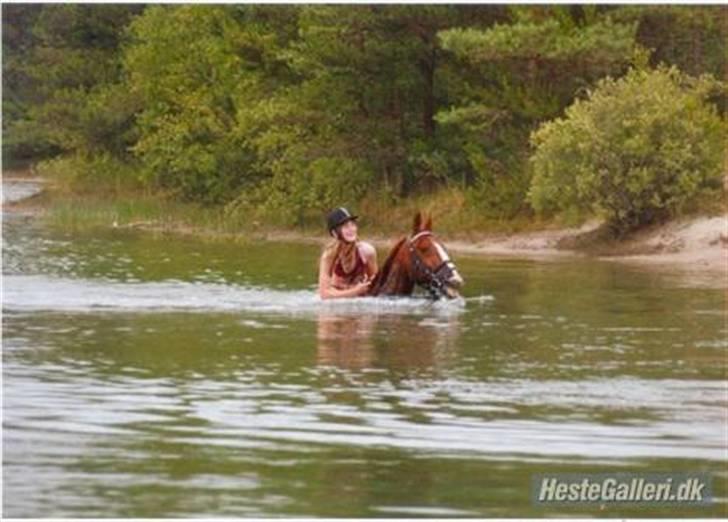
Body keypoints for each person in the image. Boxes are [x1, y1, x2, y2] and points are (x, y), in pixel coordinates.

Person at [318, 207, 378, 299]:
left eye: (353, 225)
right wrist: (356, 291)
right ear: (334, 233)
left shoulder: (367, 252)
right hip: (336, 305)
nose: (351, 229)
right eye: (346, 226)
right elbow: (324, 294)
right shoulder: (329, 256)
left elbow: (376, 285)